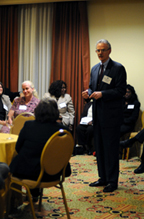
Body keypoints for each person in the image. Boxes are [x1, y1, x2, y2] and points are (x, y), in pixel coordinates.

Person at [82, 39, 127, 192]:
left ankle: (112, 181)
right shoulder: (94, 69)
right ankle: (103, 178)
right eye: (98, 50)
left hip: (112, 117)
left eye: (103, 50)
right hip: (97, 116)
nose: (100, 53)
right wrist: (87, 94)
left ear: (109, 51)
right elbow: (91, 88)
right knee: (99, 148)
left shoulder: (118, 68)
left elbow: (121, 91)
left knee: (111, 149)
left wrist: (102, 94)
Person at [9, 99, 71, 202]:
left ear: (37, 111)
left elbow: (18, 148)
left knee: (14, 164)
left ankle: (13, 202)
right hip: (55, 173)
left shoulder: (29, 126)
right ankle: (34, 194)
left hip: (31, 174)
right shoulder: (64, 131)